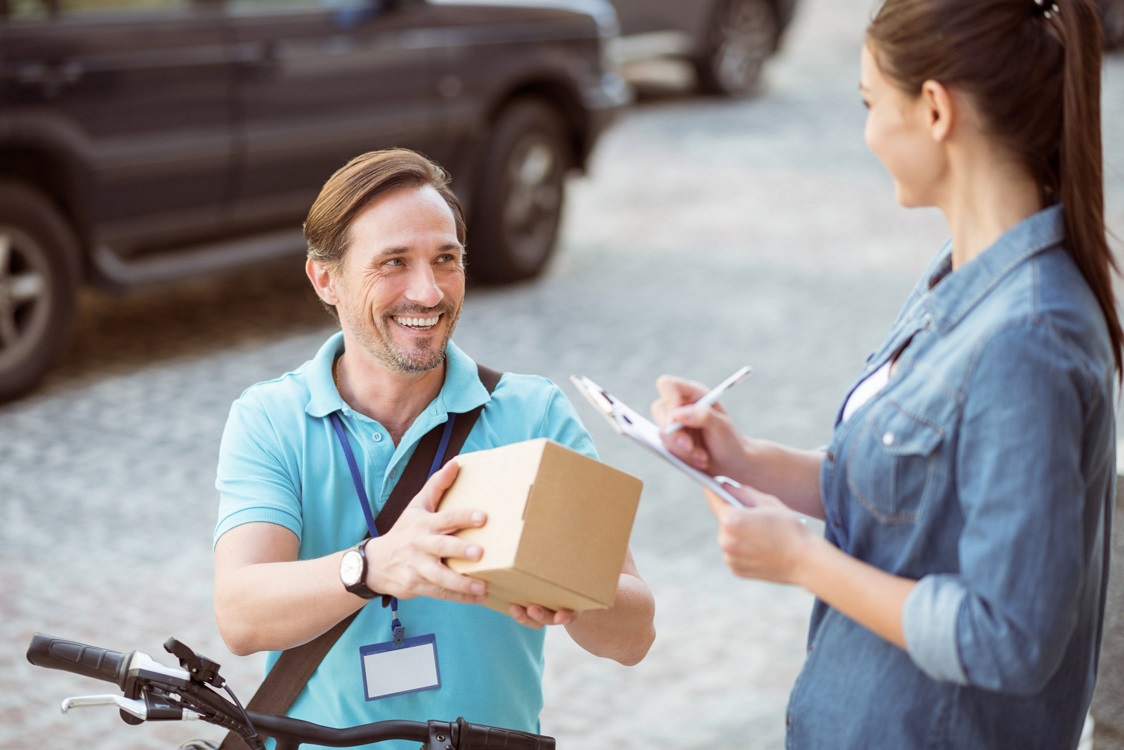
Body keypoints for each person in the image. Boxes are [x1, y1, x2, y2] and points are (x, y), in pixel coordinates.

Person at [650, 0, 1118, 747]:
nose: (867, 133)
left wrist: (801, 561)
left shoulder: (1028, 336)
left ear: (934, 110)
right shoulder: (958, 277)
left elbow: (1009, 635)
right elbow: (905, 495)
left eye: (872, 104)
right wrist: (745, 460)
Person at [213, 148, 656, 749]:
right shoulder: (271, 418)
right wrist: (374, 566)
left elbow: (634, 637)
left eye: (445, 259)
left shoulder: (535, 414)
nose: (427, 291)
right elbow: (241, 616)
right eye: (393, 262)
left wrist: (570, 594)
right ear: (326, 278)